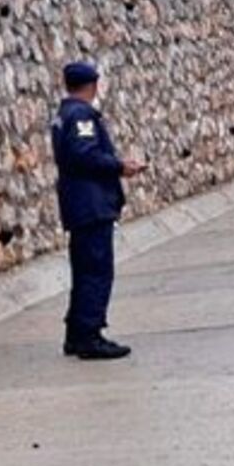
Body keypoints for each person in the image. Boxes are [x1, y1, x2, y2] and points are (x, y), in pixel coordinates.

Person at [51, 61, 146, 360]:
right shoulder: (81, 115)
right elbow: (84, 155)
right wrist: (120, 166)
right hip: (91, 204)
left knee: (84, 270)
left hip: (79, 204)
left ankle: (76, 333)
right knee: (96, 270)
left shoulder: (64, 114)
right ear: (92, 85)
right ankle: (90, 335)